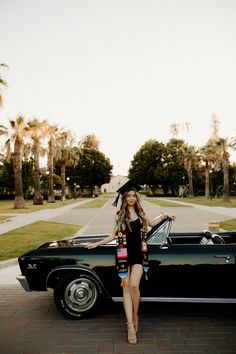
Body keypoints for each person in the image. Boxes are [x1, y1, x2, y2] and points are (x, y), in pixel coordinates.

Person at [85, 180, 176, 345]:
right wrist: (97, 243)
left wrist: (165, 215)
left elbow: (153, 224)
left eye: (134, 195)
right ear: (124, 197)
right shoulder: (119, 214)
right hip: (122, 253)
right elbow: (112, 235)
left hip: (139, 254)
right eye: (129, 195)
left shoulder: (141, 213)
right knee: (126, 287)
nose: (132, 198)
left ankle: (135, 315)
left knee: (134, 285)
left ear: (137, 197)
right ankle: (129, 324)